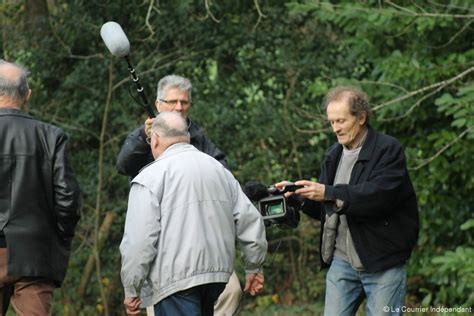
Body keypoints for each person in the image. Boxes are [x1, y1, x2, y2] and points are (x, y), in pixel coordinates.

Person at [277, 86, 419, 316]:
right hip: (342, 262)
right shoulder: (333, 155)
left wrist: (329, 192)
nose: (336, 128)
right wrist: (301, 197)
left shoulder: (388, 149)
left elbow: (378, 197)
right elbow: (328, 208)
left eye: (341, 121)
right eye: (332, 122)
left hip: (383, 263)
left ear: (361, 117)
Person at [116, 74, 243, 316]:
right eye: (173, 102)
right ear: (158, 104)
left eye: (184, 102)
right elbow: (123, 165)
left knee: (232, 291)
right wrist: (146, 139)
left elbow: (224, 175)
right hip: (162, 242)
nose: (179, 107)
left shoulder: (198, 136)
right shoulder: (143, 136)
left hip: (205, 238)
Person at [0, 60, 81, 315]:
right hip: (35, 251)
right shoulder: (51, 136)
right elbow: (68, 200)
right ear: (28, 95)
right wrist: (57, 238)